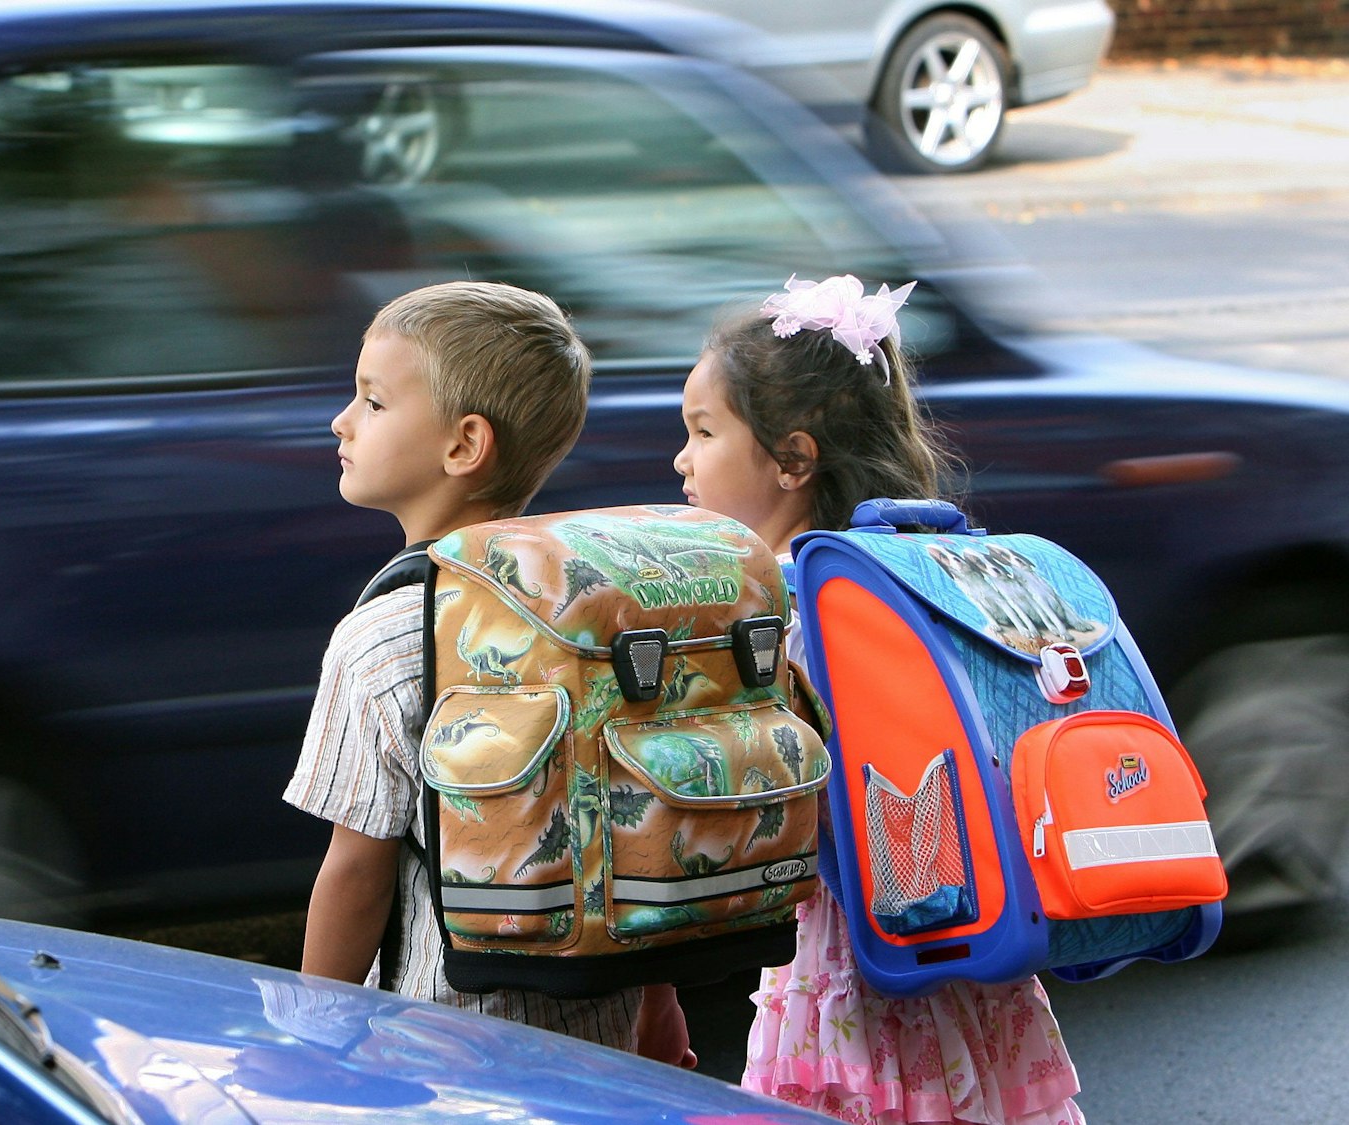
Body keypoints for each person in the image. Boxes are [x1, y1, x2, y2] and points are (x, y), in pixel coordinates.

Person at [657, 273, 1084, 1123]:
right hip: (965, 936)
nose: (682, 458)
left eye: (703, 431)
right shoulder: (918, 566)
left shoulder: (783, 606)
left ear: (793, 459)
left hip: (855, 961)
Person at [283, 280, 693, 1061]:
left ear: (465, 445)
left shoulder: (386, 639)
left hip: (434, 1054)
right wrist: (659, 1003)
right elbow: (636, 826)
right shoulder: (605, 617)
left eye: (373, 400)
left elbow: (357, 876)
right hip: (596, 1042)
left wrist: (310, 1042)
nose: (342, 420)